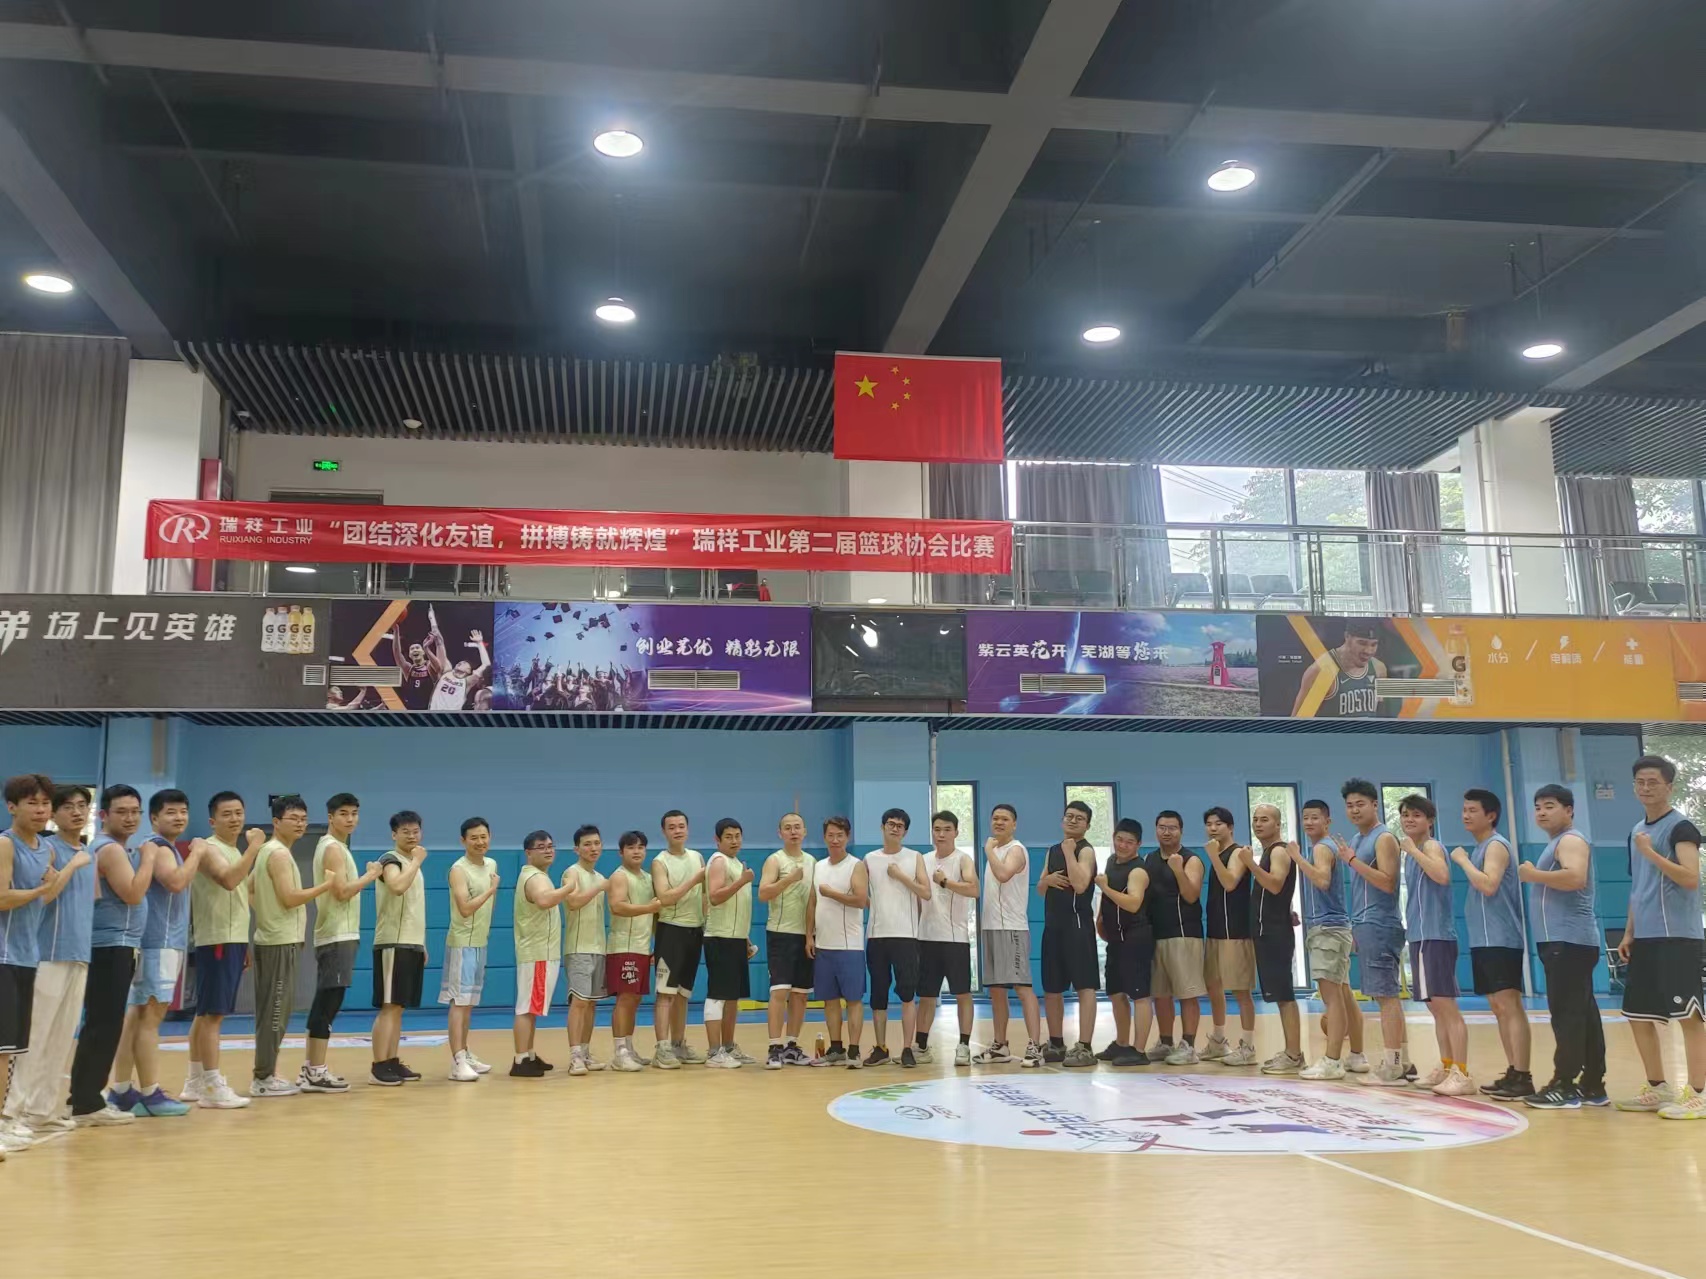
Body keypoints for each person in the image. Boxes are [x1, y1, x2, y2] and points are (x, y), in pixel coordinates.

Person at [1614, 755, 1705, 1120]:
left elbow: (1690, 878)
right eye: (1640, 782)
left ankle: (1699, 1093)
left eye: (1653, 781)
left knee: (1689, 1017)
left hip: (1678, 937)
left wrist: (1651, 853)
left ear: (1669, 786)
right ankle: (1657, 1087)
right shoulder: (1636, 830)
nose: (1646, 787)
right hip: (1646, 938)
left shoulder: (1681, 827)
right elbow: (1639, 887)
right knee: (1637, 1014)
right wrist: (1629, 932)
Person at [4, 785, 97, 1139]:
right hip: (45, 954)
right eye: (67, 806)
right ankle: (12, 1111)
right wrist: (71, 866)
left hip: (78, 953)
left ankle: (42, 1110)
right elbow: (44, 897)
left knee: (61, 1037)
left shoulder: (87, 852)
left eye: (82, 806)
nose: (76, 812)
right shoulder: (48, 849)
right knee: (32, 1038)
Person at [110, 789, 202, 1118]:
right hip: (159, 943)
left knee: (136, 1017)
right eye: (171, 812)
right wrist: (197, 852)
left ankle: (121, 1090)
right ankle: (150, 1094)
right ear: (154, 818)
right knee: (150, 1018)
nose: (179, 817)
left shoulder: (159, 847)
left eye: (183, 811)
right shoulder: (161, 848)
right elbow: (176, 882)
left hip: (152, 942)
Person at [1519, 784, 1606, 1109]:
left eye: (1549, 805)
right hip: (1566, 942)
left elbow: (1575, 878)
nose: (1541, 812)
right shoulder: (1558, 842)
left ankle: (1564, 1084)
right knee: (1583, 1014)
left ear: (1569, 810)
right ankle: (1592, 1084)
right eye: (1538, 807)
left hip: (1568, 942)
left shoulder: (1570, 840)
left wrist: (1533, 874)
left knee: (1567, 1015)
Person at [69, 786, 151, 1126]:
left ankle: (84, 1097)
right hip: (111, 945)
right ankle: (87, 1103)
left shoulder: (110, 847)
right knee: (104, 1024)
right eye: (122, 811)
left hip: (113, 945)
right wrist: (149, 858)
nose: (130, 818)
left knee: (101, 1023)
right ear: (104, 815)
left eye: (135, 811)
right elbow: (132, 893)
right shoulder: (111, 849)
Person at [180, 791, 265, 1109]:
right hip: (217, 939)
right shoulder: (209, 847)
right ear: (212, 821)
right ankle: (212, 1085)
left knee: (205, 1013)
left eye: (239, 812)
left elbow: (236, 897)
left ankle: (195, 1080)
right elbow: (229, 880)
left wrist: (242, 942)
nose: (235, 819)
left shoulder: (232, 849)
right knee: (213, 1015)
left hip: (230, 939)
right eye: (227, 814)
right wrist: (255, 847)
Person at [249, 796, 335, 1098]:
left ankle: (266, 1073)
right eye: (293, 818)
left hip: (275, 937)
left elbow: (249, 888)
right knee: (276, 1013)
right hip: (279, 942)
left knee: (272, 1012)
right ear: (276, 822)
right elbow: (289, 898)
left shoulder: (270, 851)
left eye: (303, 818)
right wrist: (325, 886)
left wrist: (266, 915)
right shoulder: (278, 855)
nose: (300, 824)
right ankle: (263, 1078)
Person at [0, 775, 68, 1154]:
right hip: (3, 956)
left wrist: (55, 881)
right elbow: (1, 898)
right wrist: (43, 888)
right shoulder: (5, 844)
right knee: (1, 1049)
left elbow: (43, 899)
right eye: (32, 803)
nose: (41, 810)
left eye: (45, 803)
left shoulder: (47, 849)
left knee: (12, 1049)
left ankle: (4, 1121)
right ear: (12, 807)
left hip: (27, 957)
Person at [1451, 788, 1532, 1100]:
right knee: (1498, 1008)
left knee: (1509, 1005)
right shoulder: (1480, 847)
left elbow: (1488, 885)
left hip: (1502, 938)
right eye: (1464, 810)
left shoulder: (1496, 846)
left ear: (1491, 815)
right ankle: (1513, 1070)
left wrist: (1461, 861)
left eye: (1472, 810)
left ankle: (1523, 1075)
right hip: (1483, 939)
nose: (1466, 815)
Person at [301, 792, 380, 1094]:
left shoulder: (336, 846)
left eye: (354, 813)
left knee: (327, 1002)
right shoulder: (333, 848)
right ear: (330, 817)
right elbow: (342, 891)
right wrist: (371, 875)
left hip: (340, 934)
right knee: (328, 1003)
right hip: (336, 934)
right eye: (343, 814)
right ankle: (315, 1070)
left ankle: (311, 1068)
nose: (350, 819)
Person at [1397, 794, 1473, 1096]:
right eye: (1405, 814)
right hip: (1420, 936)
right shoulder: (1413, 852)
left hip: (1436, 936)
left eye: (1416, 815)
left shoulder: (1430, 847)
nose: (1409, 819)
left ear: (1430, 821)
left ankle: (1462, 1073)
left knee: (1445, 1006)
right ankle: (1447, 1065)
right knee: (1435, 1007)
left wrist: (1413, 851)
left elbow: (1441, 875)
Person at [1337, 779, 1410, 1086]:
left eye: (1360, 804)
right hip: (1365, 923)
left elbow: (1388, 882)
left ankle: (1392, 1066)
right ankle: (1404, 1062)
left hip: (1381, 923)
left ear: (1375, 805)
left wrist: (1352, 860)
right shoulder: (1357, 839)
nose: (1354, 810)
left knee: (1386, 996)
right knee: (1385, 996)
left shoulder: (1384, 838)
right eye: (1350, 805)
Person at [1295, 799, 1361, 1081]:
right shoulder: (1327, 847)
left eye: (1315, 817)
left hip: (1327, 929)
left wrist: (1297, 858)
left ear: (1327, 821)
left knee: (1331, 998)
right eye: (1306, 818)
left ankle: (1332, 1060)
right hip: (1335, 928)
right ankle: (1357, 1055)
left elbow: (1321, 880)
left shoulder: (1321, 848)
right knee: (1344, 995)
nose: (1309, 822)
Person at [973, 803, 1042, 1068]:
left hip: (1012, 928)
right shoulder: (996, 850)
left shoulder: (1016, 849)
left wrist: (988, 851)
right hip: (991, 927)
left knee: (1023, 988)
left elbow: (1003, 874)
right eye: (995, 818)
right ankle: (1000, 1045)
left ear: (1014, 824)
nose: (999, 822)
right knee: (996, 990)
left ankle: (1035, 1046)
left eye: (1005, 819)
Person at [864, 808, 931, 1068]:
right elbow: (861, 893)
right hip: (877, 936)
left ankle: (906, 1048)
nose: (895, 828)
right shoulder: (869, 859)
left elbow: (925, 892)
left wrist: (901, 876)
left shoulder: (914, 857)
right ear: (882, 827)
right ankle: (881, 1047)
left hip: (906, 936)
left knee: (907, 995)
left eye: (900, 825)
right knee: (878, 996)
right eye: (890, 824)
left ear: (905, 831)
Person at [1037, 801, 1099, 1068]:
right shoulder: (1052, 850)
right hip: (1053, 926)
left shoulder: (1085, 851)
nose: (1072, 821)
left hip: (1078, 926)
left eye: (1079, 818)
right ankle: (1056, 1043)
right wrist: (1047, 880)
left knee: (1085, 986)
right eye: (1069, 816)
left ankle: (1085, 1046)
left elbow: (1080, 884)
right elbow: (1040, 888)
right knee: (1052, 988)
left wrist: (1069, 853)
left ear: (1087, 825)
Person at [1142, 810, 1207, 1064]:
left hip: (1184, 935)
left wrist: (1178, 870)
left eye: (1172, 828)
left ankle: (1188, 1046)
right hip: (1155, 935)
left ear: (1181, 831)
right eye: (1162, 827)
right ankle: (1166, 1042)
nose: (1166, 832)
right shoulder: (1148, 859)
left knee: (1187, 993)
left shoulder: (1192, 860)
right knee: (1160, 994)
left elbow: (1191, 895)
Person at [370, 811, 429, 1087]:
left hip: (410, 943)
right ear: (394, 834)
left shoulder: (412, 864)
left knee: (398, 1007)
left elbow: (414, 908)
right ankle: (379, 1065)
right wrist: (416, 861)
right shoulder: (390, 860)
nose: (412, 836)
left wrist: (421, 944)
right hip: (392, 943)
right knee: (389, 1006)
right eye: (405, 831)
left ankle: (392, 1060)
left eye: (416, 831)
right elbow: (396, 887)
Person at [915, 811, 977, 1067]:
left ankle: (963, 1046)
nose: (941, 834)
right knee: (926, 996)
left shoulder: (963, 859)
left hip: (955, 939)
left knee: (962, 994)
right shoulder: (923, 860)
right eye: (937, 829)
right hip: (926, 937)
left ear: (956, 832)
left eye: (947, 829)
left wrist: (945, 882)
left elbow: (974, 889)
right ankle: (921, 1046)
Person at [1244, 804, 1302, 1074]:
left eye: (1264, 819)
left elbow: (1276, 884)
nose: (1258, 824)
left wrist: (1249, 864)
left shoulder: (1278, 851)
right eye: (1255, 819)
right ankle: (1291, 1052)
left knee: (1285, 995)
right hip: (1266, 930)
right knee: (1280, 996)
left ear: (1277, 824)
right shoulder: (1270, 852)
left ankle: (1294, 1054)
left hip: (1275, 932)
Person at [443, 817, 501, 1082]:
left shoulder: (491, 864)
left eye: (483, 836)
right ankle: (457, 1061)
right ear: (463, 840)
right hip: (462, 942)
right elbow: (465, 908)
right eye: (474, 838)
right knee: (459, 1002)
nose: (480, 842)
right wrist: (491, 890)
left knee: (469, 1004)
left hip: (480, 941)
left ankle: (464, 1053)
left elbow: (489, 906)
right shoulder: (458, 869)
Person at [510, 829, 570, 1077]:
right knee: (526, 1007)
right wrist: (569, 888)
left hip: (541, 952)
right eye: (541, 847)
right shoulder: (534, 877)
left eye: (550, 846)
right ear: (528, 853)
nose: (548, 850)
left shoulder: (538, 875)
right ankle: (520, 1060)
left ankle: (529, 1054)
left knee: (532, 1007)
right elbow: (544, 900)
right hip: (537, 953)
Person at [650, 810, 707, 1070]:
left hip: (694, 931)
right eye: (672, 827)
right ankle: (661, 1048)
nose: (677, 830)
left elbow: (704, 897)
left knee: (683, 993)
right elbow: (665, 898)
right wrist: (694, 879)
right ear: (664, 831)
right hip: (670, 930)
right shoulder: (659, 862)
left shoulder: (697, 857)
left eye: (681, 826)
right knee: (666, 993)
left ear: (688, 828)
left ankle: (678, 1044)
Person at [1202, 806, 1258, 1066]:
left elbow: (1230, 882)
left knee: (1241, 991)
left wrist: (1213, 856)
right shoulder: (1218, 852)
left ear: (1231, 827)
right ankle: (1218, 1040)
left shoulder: (1237, 852)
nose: (1213, 828)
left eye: (1218, 824)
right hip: (1215, 931)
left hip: (1236, 932)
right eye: (1209, 824)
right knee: (1213, 986)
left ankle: (1248, 1046)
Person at [811, 816, 868, 1067]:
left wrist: (832, 893)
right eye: (831, 835)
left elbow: (861, 900)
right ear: (824, 837)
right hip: (823, 945)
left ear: (848, 837)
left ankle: (854, 1051)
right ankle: (836, 1048)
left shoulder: (856, 865)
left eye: (840, 835)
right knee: (830, 1000)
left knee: (853, 1000)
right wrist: (809, 935)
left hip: (849, 947)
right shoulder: (818, 866)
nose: (835, 840)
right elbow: (812, 902)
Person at [756, 814, 812, 1068]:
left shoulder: (812, 862)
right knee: (779, 992)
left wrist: (810, 935)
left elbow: (813, 902)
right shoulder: (775, 860)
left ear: (805, 831)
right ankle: (774, 1047)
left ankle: (791, 1045)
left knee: (800, 994)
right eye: (787, 828)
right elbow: (763, 893)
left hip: (805, 935)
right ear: (780, 833)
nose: (793, 832)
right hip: (780, 934)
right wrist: (790, 879)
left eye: (797, 827)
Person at [1094, 817, 1151, 1066]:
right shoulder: (1111, 861)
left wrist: (1104, 888)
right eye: (1119, 839)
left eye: (1129, 842)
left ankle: (1139, 1050)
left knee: (1139, 995)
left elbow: (1134, 903)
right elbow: (1108, 901)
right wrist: (1099, 920)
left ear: (1138, 844)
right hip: (1115, 939)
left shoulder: (1138, 871)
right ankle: (1122, 1043)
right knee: (1116, 993)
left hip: (1136, 938)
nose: (1123, 845)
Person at [606, 830, 661, 1072]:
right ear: (621, 852)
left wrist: (654, 946)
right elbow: (617, 906)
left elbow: (655, 914)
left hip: (642, 947)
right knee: (625, 998)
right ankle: (619, 1052)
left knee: (635, 999)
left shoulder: (648, 878)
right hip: (623, 947)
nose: (636, 851)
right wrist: (648, 907)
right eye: (631, 847)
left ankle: (628, 1047)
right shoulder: (619, 876)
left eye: (640, 847)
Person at [703, 818, 755, 1068]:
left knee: (732, 997)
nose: (734, 841)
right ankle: (714, 1052)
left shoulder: (736, 863)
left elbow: (738, 907)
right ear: (717, 840)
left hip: (735, 938)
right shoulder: (719, 861)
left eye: (737, 836)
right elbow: (714, 897)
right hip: (719, 937)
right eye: (728, 837)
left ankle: (729, 1047)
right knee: (718, 995)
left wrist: (745, 938)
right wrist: (742, 881)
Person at [559, 825, 609, 1075]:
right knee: (579, 1002)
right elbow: (573, 902)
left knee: (591, 1004)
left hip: (599, 947)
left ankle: (586, 1052)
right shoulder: (572, 873)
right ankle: (575, 1056)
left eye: (597, 843)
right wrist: (599, 888)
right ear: (577, 849)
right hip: (578, 947)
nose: (593, 848)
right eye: (587, 844)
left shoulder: (600, 876)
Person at [1293, 620, 1386, 718]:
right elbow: (1297, 721)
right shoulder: (1319, 671)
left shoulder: (1379, 668)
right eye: (1362, 643)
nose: (1368, 651)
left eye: (1373, 644)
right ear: (1347, 637)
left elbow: (1382, 713)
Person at [429, 627, 490, 711]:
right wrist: (434, 626)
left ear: (469, 671)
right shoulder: (446, 672)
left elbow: (486, 665)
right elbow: (440, 644)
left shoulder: (467, 682)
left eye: (464, 663)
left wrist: (479, 643)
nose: (460, 663)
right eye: (460, 662)